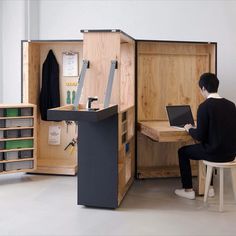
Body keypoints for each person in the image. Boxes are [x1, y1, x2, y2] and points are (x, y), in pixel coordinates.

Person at [175, 73, 236, 200]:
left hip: (213, 153)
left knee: (182, 152)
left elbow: (200, 137)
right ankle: (210, 189)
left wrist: (189, 129)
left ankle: (188, 190)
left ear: (203, 88)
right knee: (210, 144)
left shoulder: (204, 107)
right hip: (230, 154)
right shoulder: (231, 105)